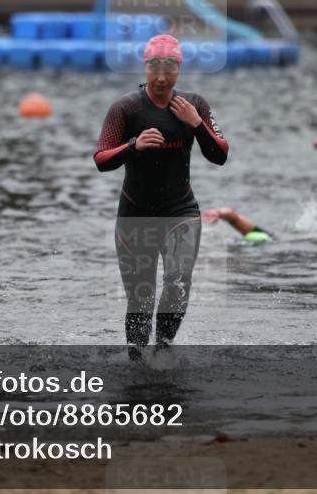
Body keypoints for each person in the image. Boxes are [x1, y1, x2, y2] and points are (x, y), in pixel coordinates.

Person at [94, 34, 228, 359]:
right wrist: (132, 146)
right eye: (154, 67)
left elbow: (220, 154)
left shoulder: (194, 105)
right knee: (141, 297)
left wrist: (196, 125)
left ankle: (163, 353)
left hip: (180, 212)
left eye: (169, 68)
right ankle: (138, 361)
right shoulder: (125, 108)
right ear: (145, 66)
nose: (161, 77)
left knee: (178, 283)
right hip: (135, 215)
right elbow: (100, 159)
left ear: (178, 69)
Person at [202, 207, 273, 243]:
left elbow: (234, 218)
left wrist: (218, 213)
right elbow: (234, 217)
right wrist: (219, 213)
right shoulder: (257, 233)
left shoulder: (263, 236)